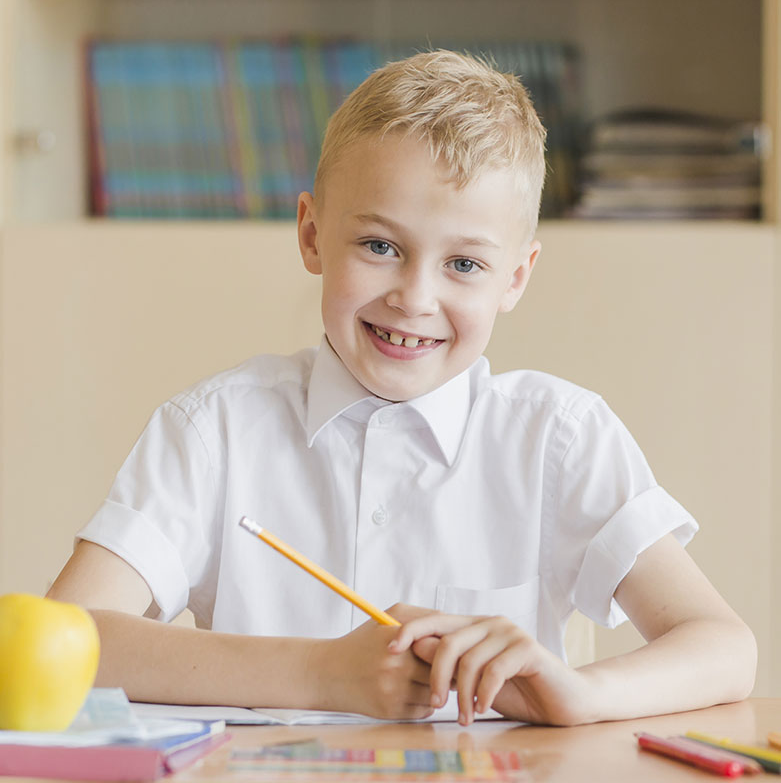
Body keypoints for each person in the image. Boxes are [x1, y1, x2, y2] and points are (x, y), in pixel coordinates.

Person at [47, 50, 756, 726]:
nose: (414, 298)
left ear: (516, 277)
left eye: (464, 265)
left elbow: (723, 648)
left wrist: (578, 693)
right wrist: (325, 674)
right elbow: (65, 639)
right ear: (312, 234)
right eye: (379, 247)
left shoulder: (559, 436)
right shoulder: (214, 429)